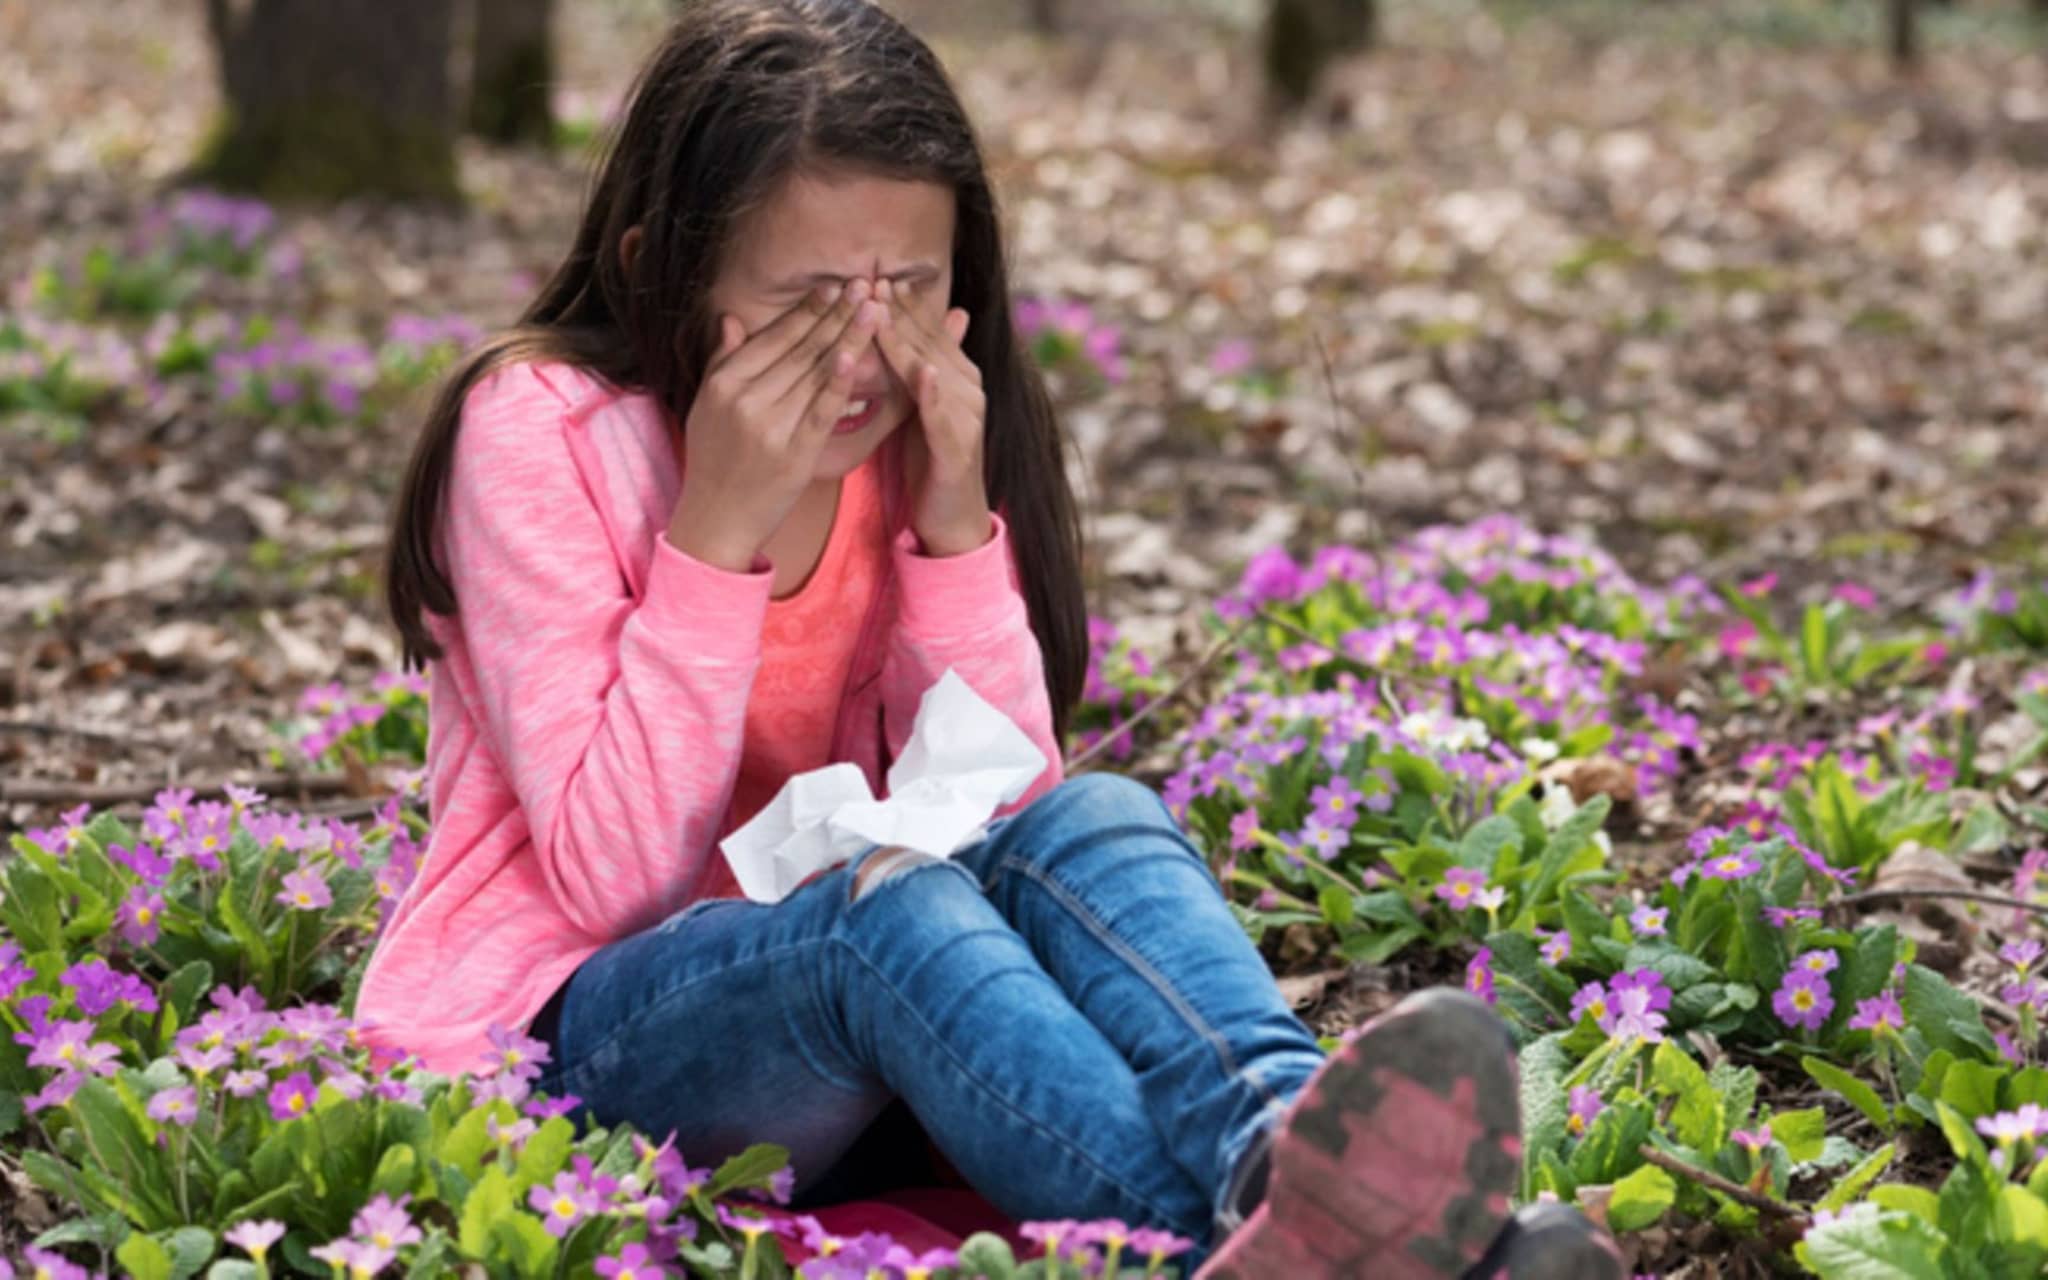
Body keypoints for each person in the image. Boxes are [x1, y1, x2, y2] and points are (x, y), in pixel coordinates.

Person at [363, 2, 1624, 1276]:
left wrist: (955, 527)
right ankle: (1213, 1249)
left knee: (1096, 817)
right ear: (658, 273)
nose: (865, 349)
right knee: (885, 907)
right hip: (577, 1045)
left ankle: (1277, 1152)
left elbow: (1006, 805)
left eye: (910, 289)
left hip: (865, 1046)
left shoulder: (910, 439)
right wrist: (712, 537)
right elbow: (613, 882)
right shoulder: (537, 431)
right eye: (807, 300)